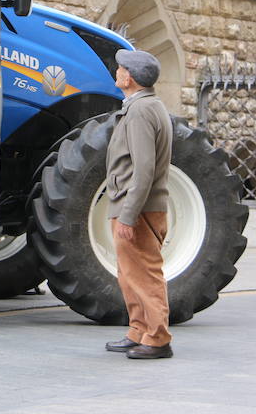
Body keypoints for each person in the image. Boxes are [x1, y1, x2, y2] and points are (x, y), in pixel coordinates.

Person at [104, 49, 174, 360]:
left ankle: (157, 338)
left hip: (138, 209)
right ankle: (139, 329)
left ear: (129, 78)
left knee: (144, 273)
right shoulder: (144, 106)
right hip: (132, 205)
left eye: (120, 69)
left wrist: (129, 217)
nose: (116, 71)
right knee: (129, 272)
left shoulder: (141, 111)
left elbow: (143, 170)